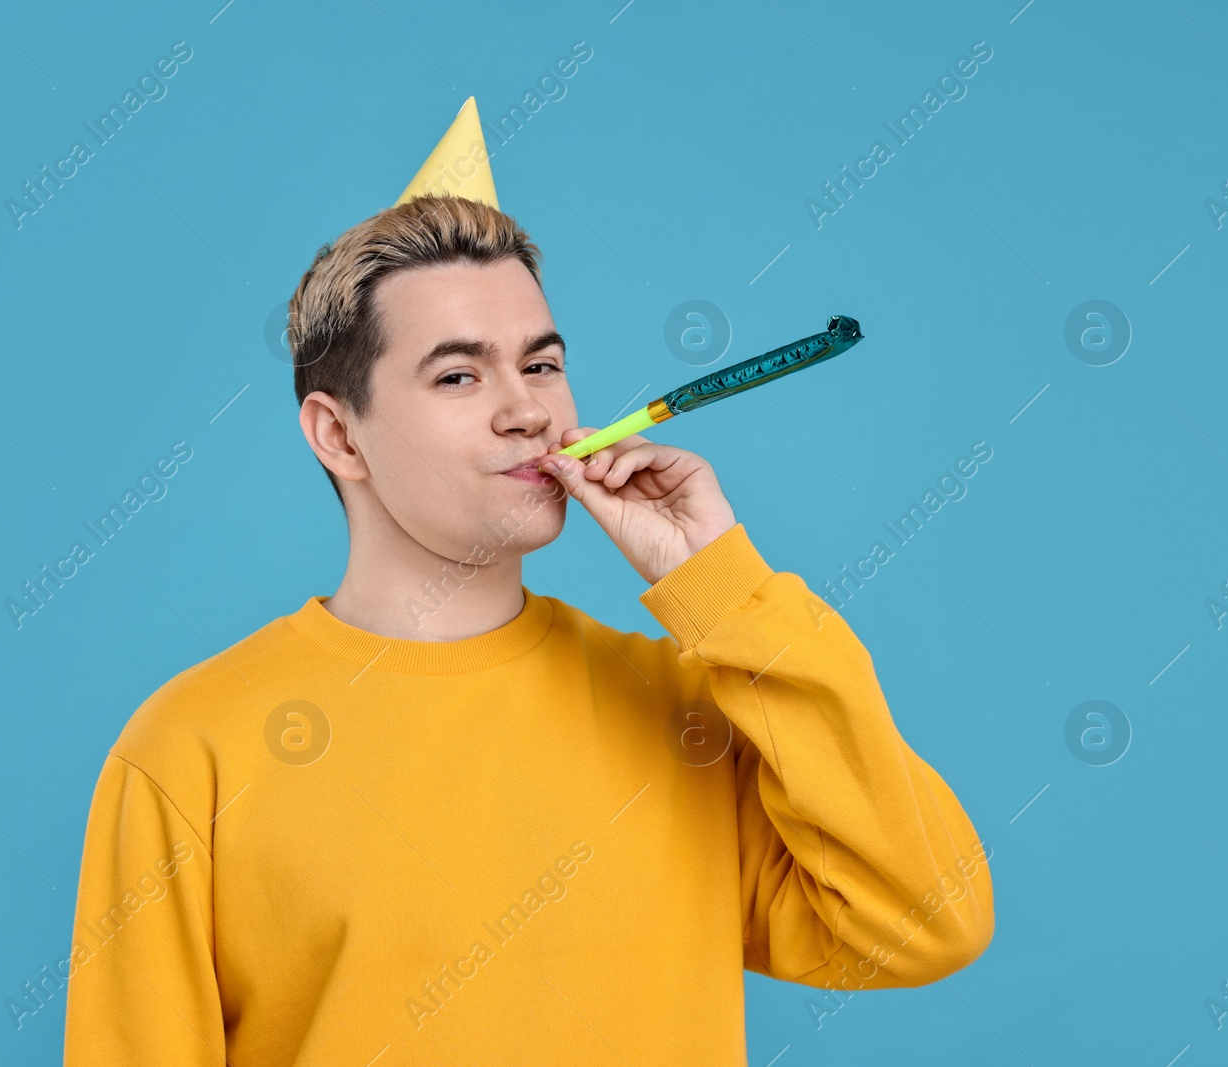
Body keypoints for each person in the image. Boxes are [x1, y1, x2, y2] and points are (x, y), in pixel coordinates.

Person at [64, 99, 993, 1066]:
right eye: (459, 376)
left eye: (541, 363)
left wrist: (727, 592)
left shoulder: (688, 707)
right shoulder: (189, 750)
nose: (529, 412)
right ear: (339, 434)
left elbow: (928, 920)